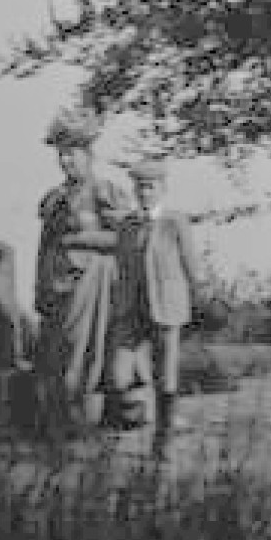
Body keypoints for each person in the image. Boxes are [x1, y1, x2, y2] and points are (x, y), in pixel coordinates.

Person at [33, 106, 134, 435]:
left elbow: (123, 236)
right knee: (60, 347)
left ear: (88, 155)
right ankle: (62, 413)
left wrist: (80, 237)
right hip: (60, 281)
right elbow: (45, 245)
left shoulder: (103, 191)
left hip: (93, 281)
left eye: (72, 154)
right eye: (61, 155)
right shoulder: (55, 198)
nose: (66, 162)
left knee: (87, 346)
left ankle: (91, 408)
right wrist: (39, 286)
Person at [114, 160, 203, 457]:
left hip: (167, 305)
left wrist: (198, 297)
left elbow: (190, 263)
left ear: (163, 189)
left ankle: (162, 440)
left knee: (166, 374)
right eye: (139, 187)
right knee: (119, 372)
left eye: (150, 187)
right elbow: (121, 267)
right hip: (132, 308)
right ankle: (134, 417)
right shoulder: (127, 225)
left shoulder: (175, 222)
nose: (145, 193)